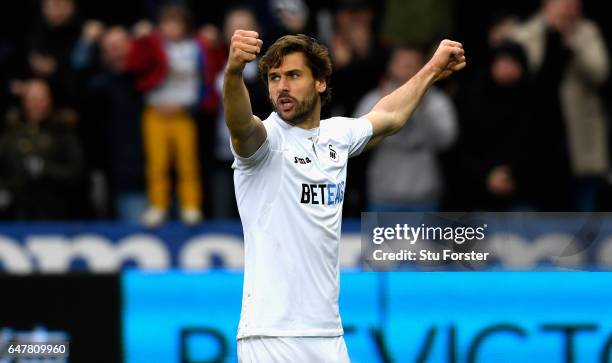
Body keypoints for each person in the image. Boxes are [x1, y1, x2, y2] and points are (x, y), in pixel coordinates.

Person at [223, 30, 465, 361]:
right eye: (274, 78)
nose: (281, 86)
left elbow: (390, 116)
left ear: (320, 82)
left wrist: (433, 68)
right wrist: (234, 71)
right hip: (272, 335)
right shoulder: (265, 145)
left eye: (293, 75)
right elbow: (239, 124)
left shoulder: (336, 136)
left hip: (327, 334)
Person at [511, 0, 609, 211]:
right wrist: (549, 34)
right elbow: (523, 76)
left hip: (578, 138)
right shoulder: (525, 33)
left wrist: (570, 40)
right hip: (538, 139)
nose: (569, 7)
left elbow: (600, 72)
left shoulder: (587, 32)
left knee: (584, 209)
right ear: (547, 4)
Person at [354, 45, 458, 212]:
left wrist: (422, 106)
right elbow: (356, 140)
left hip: (425, 194)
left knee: (424, 239)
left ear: (423, 67)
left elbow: (446, 141)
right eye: (402, 64)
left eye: (412, 65)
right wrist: (385, 106)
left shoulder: (437, 101)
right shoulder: (374, 99)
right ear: (391, 67)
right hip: (383, 193)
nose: (407, 70)